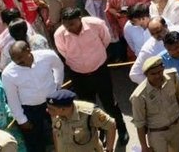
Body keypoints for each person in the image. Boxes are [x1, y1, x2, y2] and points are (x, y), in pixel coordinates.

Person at [51, 8, 129, 145]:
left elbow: (106, 40)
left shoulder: (96, 24)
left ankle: (121, 129)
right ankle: (100, 132)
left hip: (100, 71)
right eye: (66, 24)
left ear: (80, 18)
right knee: (88, 107)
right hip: (78, 76)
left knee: (109, 103)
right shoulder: (59, 35)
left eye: (72, 24)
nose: (69, 28)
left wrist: (94, 58)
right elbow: (64, 52)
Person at [0, 41, 63, 152]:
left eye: (20, 58)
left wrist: (58, 86)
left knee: (62, 131)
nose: (18, 62)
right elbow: (12, 99)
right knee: (35, 142)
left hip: (52, 102)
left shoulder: (47, 56)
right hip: (30, 110)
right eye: (15, 60)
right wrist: (22, 120)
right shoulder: (8, 74)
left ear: (28, 50)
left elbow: (59, 67)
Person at [130, 55, 179, 152]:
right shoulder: (139, 96)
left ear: (163, 68)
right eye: (153, 74)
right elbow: (140, 123)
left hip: (177, 126)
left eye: (160, 72)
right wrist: (144, 146)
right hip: (157, 133)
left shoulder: (172, 77)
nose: (157, 76)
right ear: (146, 75)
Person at [46, 88, 117, 152]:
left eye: (51, 109)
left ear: (62, 109)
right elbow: (55, 133)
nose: (47, 110)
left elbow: (111, 124)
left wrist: (109, 149)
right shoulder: (55, 114)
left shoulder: (89, 113)